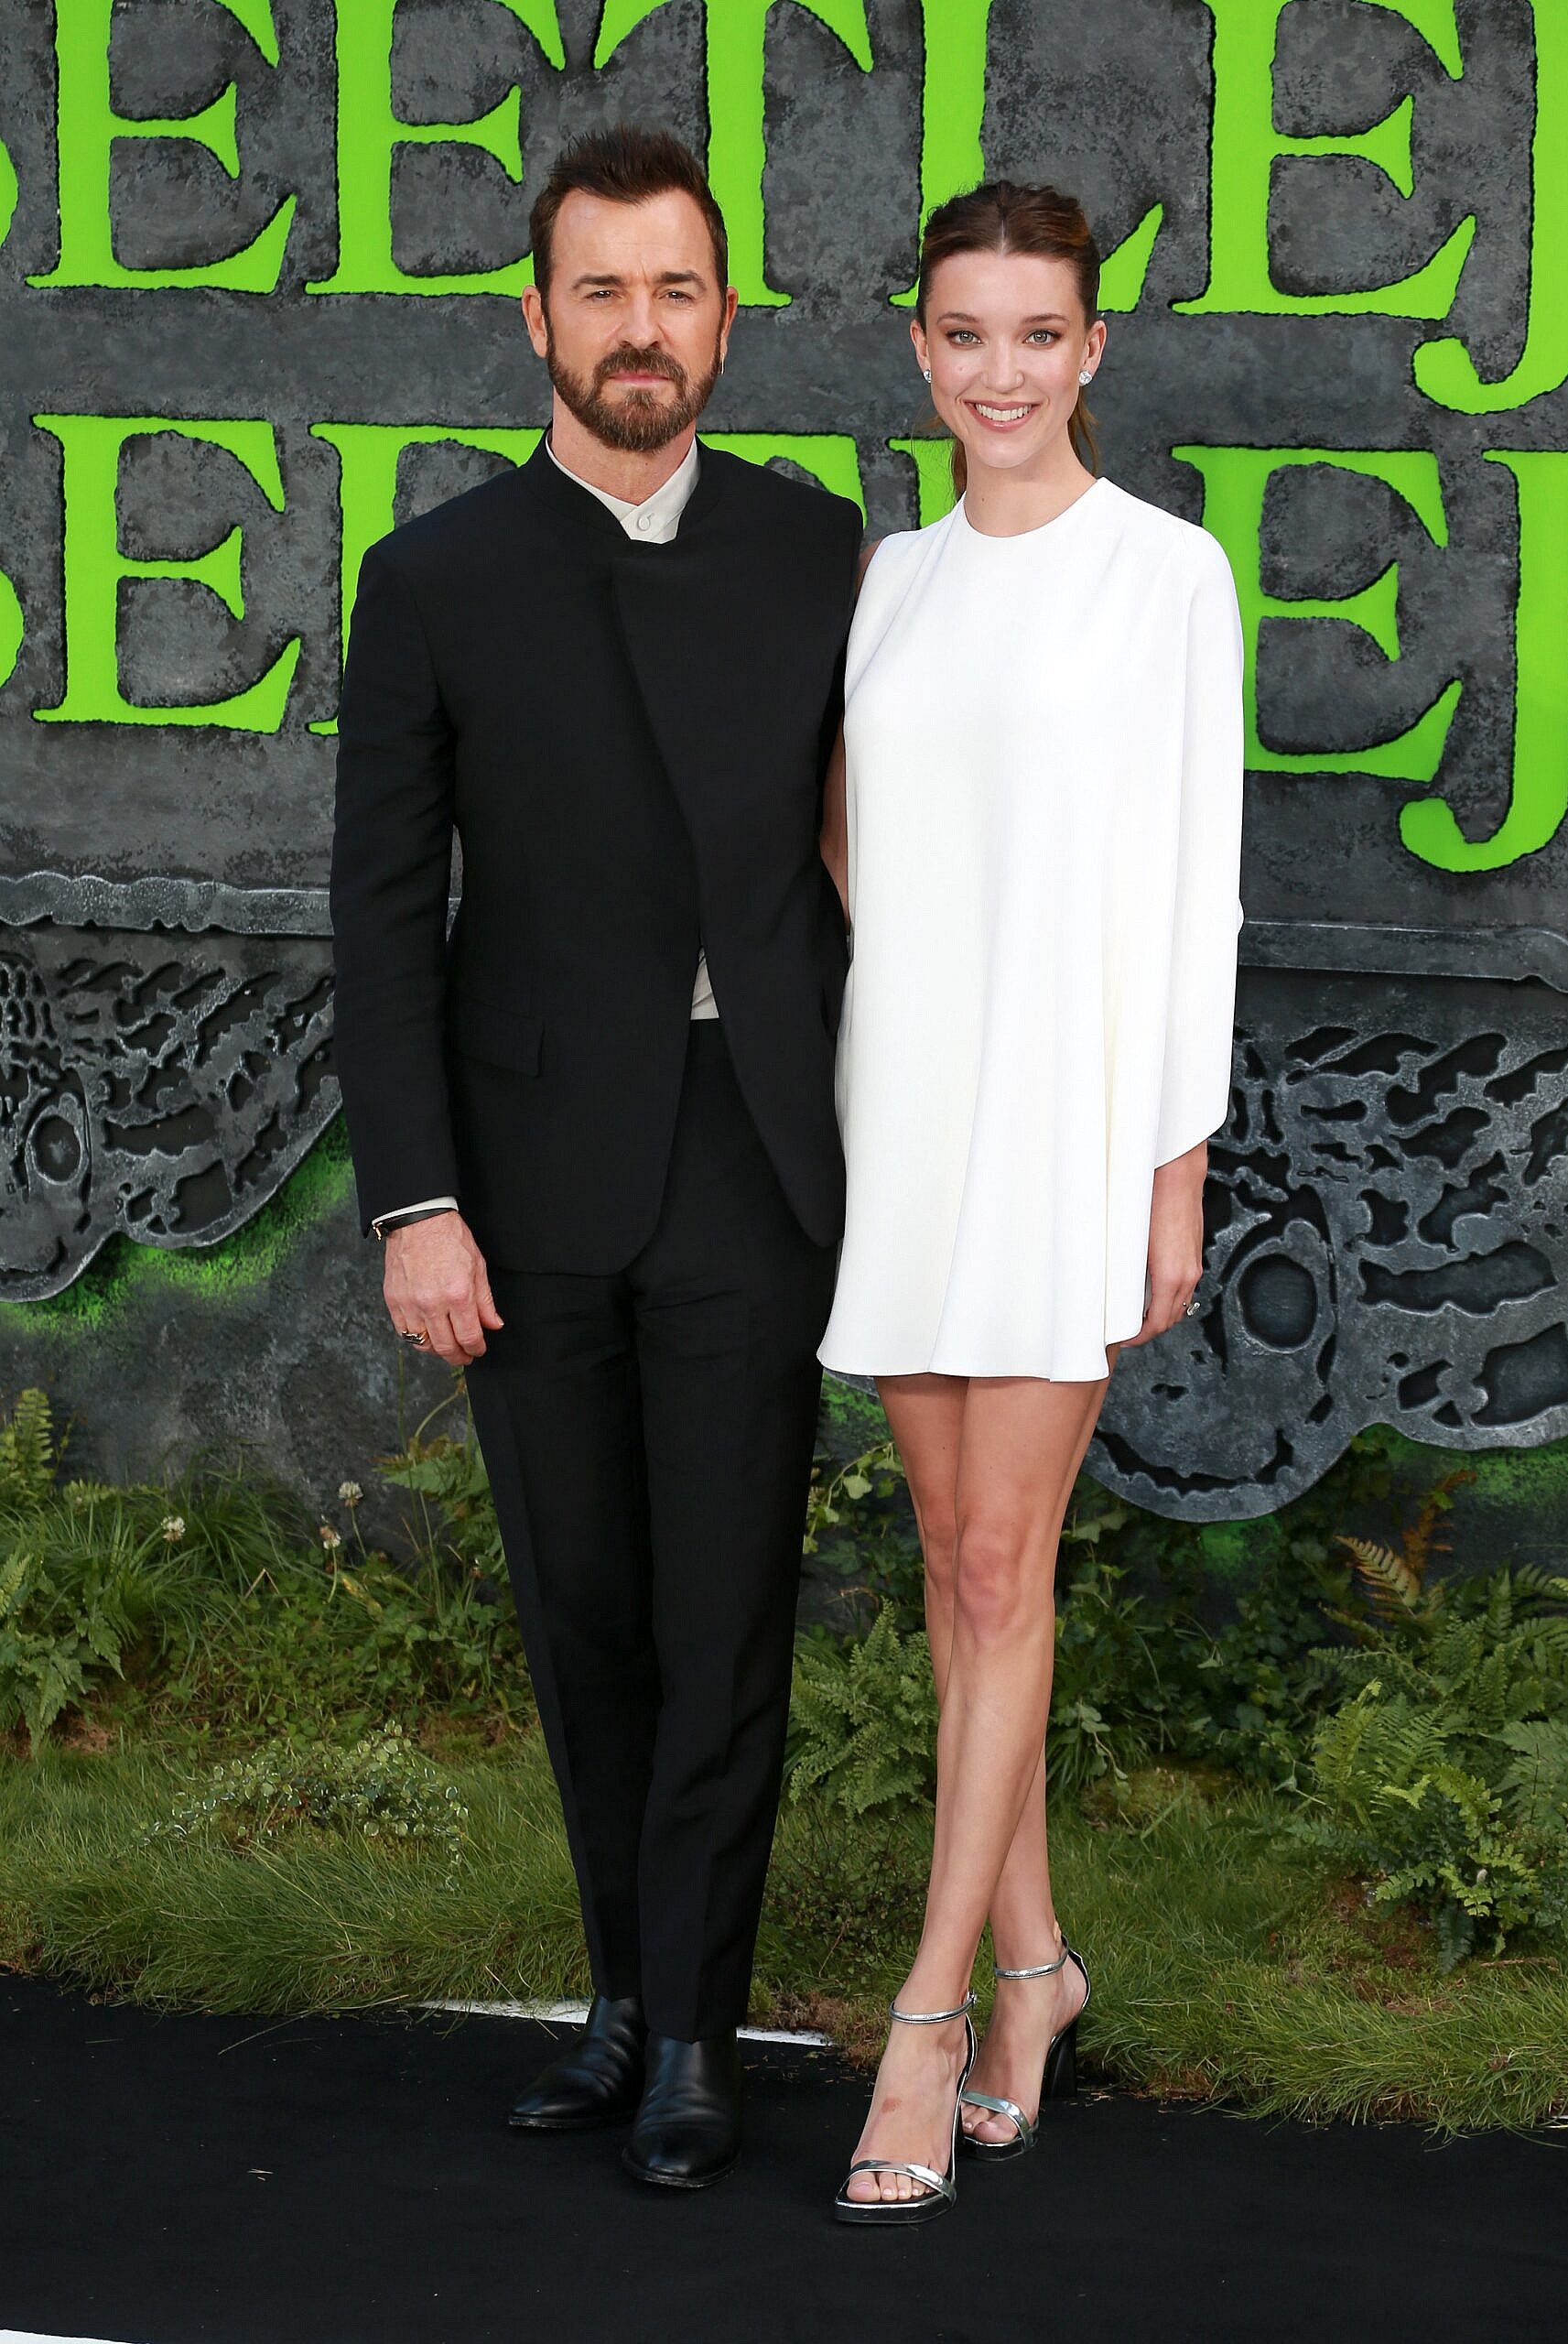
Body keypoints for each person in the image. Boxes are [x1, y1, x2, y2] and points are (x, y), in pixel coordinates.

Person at [329, 125, 861, 2191]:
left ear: (723, 316)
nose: (639, 331)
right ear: (534, 316)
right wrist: (413, 1196)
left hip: (745, 1160)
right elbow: (383, 913)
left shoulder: (825, 553)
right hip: (522, 1182)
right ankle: (622, 1997)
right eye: (600, 291)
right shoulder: (437, 575)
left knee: (725, 1614)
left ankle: (698, 2040)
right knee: (585, 1614)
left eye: (673, 290)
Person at [817, 180, 1245, 2224]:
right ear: (921, 349)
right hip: (905, 1120)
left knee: (1002, 1568)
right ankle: (1037, 1967)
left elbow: (1195, 882)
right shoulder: (886, 578)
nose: (999, 370)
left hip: (1070, 1131)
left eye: (1037, 333)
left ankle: (924, 2020)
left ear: (1093, 350)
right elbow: (839, 823)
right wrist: (922, 980)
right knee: (950, 1566)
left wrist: (1168, 1164)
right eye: (962, 333)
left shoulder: (1163, 577)